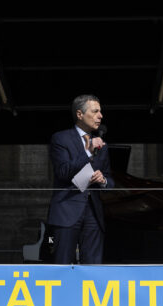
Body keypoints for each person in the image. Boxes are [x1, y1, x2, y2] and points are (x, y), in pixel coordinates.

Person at [47, 94, 114, 264]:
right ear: (80, 114)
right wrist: (88, 152)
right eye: (95, 111)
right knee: (62, 264)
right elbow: (62, 171)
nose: (100, 116)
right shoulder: (60, 138)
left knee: (93, 267)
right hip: (67, 210)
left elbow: (110, 179)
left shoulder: (101, 144)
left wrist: (103, 180)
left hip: (94, 213)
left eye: (101, 111)